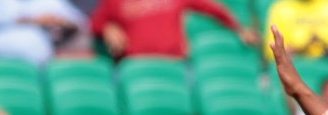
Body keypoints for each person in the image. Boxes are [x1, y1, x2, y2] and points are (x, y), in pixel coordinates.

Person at [90, 0, 257, 59]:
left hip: (174, 64)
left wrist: (239, 28)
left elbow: (212, 9)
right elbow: (95, 24)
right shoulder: (115, 1)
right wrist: (107, 28)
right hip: (136, 66)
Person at [0, 0, 91, 66]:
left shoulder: (50, 2)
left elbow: (80, 22)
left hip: (36, 64)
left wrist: (59, 21)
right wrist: (34, 20)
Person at [263, 0, 328, 60]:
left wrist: (319, 43)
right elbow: (271, 52)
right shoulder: (280, 9)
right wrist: (301, 47)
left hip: (327, 68)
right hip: (293, 65)